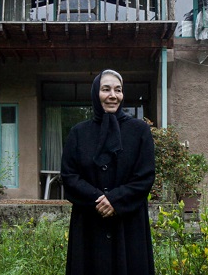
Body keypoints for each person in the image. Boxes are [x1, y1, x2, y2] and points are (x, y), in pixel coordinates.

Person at [61, 69, 155, 275]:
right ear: (96, 93)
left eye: (118, 90)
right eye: (106, 89)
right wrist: (98, 199)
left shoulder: (139, 130)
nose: (113, 95)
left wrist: (116, 200)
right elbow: (69, 176)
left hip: (128, 223)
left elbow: (145, 176)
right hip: (89, 222)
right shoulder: (78, 132)